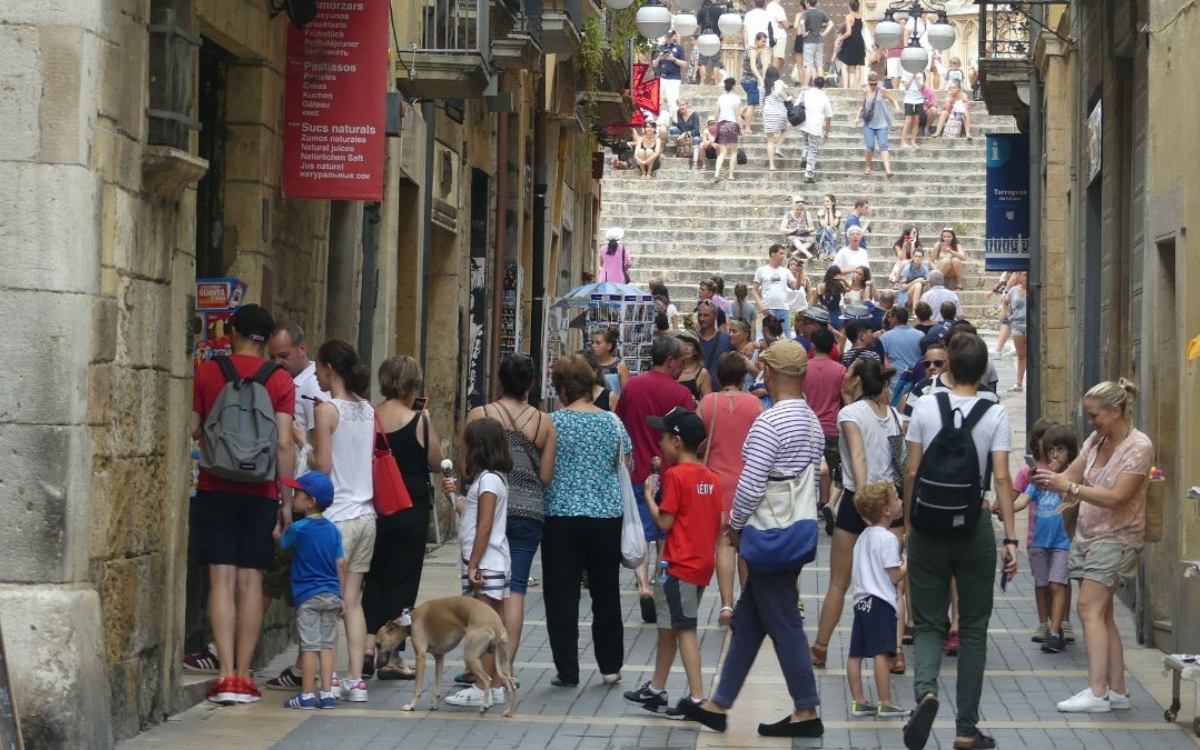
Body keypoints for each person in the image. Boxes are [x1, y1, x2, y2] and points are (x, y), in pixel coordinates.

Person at [681, 341, 825, 738]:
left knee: (785, 624)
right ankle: (718, 704)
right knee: (749, 621)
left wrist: (737, 526)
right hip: (795, 531)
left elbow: (751, 483)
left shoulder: (771, 421)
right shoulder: (811, 421)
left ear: (772, 373)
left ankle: (806, 709)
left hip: (767, 534)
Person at [902, 332, 1017, 750]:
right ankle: (966, 730)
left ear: (948, 365)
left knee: (929, 622)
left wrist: (910, 523)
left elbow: (911, 471)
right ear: (984, 370)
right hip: (974, 528)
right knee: (972, 629)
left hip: (927, 526)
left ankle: (926, 692)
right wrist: (1012, 540)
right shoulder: (995, 412)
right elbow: (1001, 476)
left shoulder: (927, 405)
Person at [190, 304, 296, 705]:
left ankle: (222, 674)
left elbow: (195, 428)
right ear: (269, 341)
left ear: (232, 330)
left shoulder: (208, 372)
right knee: (251, 581)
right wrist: (285, 501)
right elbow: (284, 443)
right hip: (260, 491)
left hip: (216, 485)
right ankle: (243, 676)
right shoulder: (280, 379)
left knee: (221, 579)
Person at [1034, 380, 1152, 714]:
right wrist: (1051, 479)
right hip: (1088, 534)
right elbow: (1072, 475)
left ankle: (1097, 692)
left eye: (1094, 415)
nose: (1090, 422)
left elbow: (1118, 498)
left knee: (1088, 609)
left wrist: (1069, 485)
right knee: (1103, 612)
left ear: (1116, 411)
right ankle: (1116, 689)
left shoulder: (1139, 446)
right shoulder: (1097, 440)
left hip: (1118, 537)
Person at [624, 407, 723, 718]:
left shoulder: (675, 475)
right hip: (700, 565)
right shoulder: (711, 477)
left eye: (664, 438)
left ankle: (696, 698)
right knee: (669, 626)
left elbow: (664, 523)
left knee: (684, 629)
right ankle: (656, 689)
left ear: (677, 442)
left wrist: (650, 495)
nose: (660, 444)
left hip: (679, 565)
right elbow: (718, 520)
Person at [543, 354, 632, 687]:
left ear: (563, 388)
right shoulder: (612, 422)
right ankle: (610, 665)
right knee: (606, 592)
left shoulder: (552, 422)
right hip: (606, 516)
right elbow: (626, 463)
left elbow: (544, 469)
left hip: (561, 516)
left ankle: (567, 670)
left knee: (561, 594)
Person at [464, 354, 556, 674]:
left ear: (499, 380)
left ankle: (478, 663)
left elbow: (468, 464)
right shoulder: (545, 422)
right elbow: (545, 477)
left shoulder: (481, 414)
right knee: (514, 588)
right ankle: (506, 666)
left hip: (491, 505)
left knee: (484, 589)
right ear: (530, 384)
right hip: (528, 512)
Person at [811, 357, 902, 670]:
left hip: (858, 498)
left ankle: (821, 647)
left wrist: (864, 500)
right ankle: (895, 653)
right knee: (891, 582)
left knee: (840, 580)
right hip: (892, 501)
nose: (844, 377)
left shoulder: (849, 414)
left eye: (848, 373)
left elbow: (858, 454)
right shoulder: (894, 415)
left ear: (858, 381)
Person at [257, 322, 329, 690]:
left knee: (282, 581)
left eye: (283, 356)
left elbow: (312, 448)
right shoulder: (292, 382)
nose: (278, 363)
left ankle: (303, 670)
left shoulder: (313, 389)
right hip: (293, 494)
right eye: (272, 357)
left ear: (303, 350)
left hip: (300, 497)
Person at [364, 355, 446, 681]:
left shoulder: (371, 417)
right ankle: (393, 656)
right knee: (403, 585)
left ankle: (368, 647)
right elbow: (438, 462)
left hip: (376, 508)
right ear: (413, 385)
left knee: (374, 580)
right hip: (410, 510)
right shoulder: (420, 421)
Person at [310, 339, 375, 703]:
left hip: (337, 518)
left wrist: (305, 447)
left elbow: (323, 467)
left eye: (319, 368)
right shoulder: (366, 409)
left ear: (329, 369)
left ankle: (328, 679)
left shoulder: (326, 410)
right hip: (367, 515)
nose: (316, 376)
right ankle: (355, 680)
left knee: (328, 600)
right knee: (353, 600)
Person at [616, 337, 696, 623]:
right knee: (665, 533)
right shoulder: (682, 394)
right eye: (682, 361)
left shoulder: (633, 387)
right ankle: (660, 582)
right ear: (671, 360)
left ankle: (642, 586)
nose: (683, 367)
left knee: (641, 531)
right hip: (672, 474)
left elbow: (620, 423)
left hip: (638, 471)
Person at [442, 418, 514, 707]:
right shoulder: (491, 480)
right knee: (492, 627)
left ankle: (483, 684)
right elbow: (470, 512)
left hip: (486, 562)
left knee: (481, 628)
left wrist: (473, 564)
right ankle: (494, 684)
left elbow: (483, 525)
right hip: (492, 560)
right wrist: (452, 495)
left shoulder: (488, 481)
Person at [696, 353, 764, 626]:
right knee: (746, 544)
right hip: (748, 482)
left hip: (716, 483)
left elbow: (697, 440)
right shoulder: (756, 405)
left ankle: (726, 605)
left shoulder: (707, 402)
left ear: (719, 377)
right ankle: (747, 603)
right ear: (744, 377)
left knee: (724, 542)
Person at [277, 470, 343, 710]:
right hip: (332, 595)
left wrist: (277, 534)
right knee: (326, 646)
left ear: (310, 502)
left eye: (297, 493)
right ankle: (326, 694)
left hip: (308, 596)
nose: (293, 497)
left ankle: (305, 695)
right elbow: (341, 564)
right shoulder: (334, 531)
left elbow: (284, 545)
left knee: (309, 646)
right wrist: (341, 595)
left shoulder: (299, 528)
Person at [845, 480, 910, 719]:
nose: (900, 501)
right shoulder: (887, 539)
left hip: (861, 600)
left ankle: (859, 701)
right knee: (882, 652)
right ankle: (885, 702)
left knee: (856, 652)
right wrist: (906, 563)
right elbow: (894, 576)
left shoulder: (863, 537)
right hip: (881, 601)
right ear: (886, 510)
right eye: (896, 499)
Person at [1012, 424, 1078, 654]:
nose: (1055, 455)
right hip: (1039, 542)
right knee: (1042, 584)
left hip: (1062, 543)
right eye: (1051, 450)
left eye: (1060, 450)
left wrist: (1058, 479)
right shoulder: (1038, 481)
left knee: (1057, 584)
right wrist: (1004, 509)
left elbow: (1070, 500)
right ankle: (1045, 624)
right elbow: (1022, 501)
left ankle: (1055, 630)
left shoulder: (1070, 480)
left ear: (1070, 453)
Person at [802, 328, 846, 527]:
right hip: (832, 426)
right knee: (831, 467)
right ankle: (826, 503)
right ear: (832, 347)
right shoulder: (840, 370)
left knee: (811, 467)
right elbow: (844, 399)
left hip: (809, 425)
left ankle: (811, 502)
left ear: (813, 345)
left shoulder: (804, 368)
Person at [857, 71, 900, 177]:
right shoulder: (865, 92)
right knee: (870, 147)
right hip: (869, 124)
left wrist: (897, 108)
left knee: (883, 146)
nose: (873, 86)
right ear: (868, 83)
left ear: (878, 83)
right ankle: (868, 166)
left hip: (882, 123)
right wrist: (857, 117)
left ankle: (888, 171)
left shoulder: (882, 91)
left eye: (875, 84)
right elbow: (862, 106)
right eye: (871, 84)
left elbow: (893, 100)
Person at [752, 244, 799, 339]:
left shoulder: (786, 271)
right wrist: (761, 305)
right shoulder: (761, 270)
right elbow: (754, 290)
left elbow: (795, 287)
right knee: (767, 337)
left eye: (784, 254)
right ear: (773, 254)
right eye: (781, 253)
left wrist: (800, 274)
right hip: (767, 309)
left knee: (786, 338)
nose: (783, 256)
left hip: (783, 308)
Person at [796, 77, 833, 184]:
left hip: (803, 122)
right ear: (823, 86)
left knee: (805, 141)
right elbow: (828, 116)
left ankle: (804, 155)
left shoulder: (804, 93)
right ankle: (809, 174)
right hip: (816, 126)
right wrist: (827, 131)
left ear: (813, 83)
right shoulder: (824, 97)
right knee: (812, 149)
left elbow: (796, 105)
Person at [880, 307, 924, 392]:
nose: (888, 320)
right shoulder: (921, 334)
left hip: (894, 383)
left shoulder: (885, 337)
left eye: (890, 317)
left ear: (895, 318)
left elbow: (883, 360)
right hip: (915, 382)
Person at [696, 300, 735, 383]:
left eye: (706, 315)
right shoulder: (692, 339)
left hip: (719, 391)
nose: (701, 318)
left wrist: (753, 344)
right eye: (699, 315)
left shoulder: (727, 339)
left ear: (715, 316)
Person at [739, 33, 769, 138]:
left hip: (746, 80)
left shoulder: (751, 49)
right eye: (763, 41)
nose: (764, 43)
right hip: (750, 80)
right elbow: (752, 66)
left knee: (754, 101)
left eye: (765, 41)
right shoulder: (753, 51)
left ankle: (741, 112)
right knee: (752, 105)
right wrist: (760, 78)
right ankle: (747, 129)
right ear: (757, 40)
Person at [761, 67, 790, 171]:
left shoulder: (763, 87)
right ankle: (777, 148)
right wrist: (787, 99)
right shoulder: (779, 82)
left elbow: (761, 103)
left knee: (769, 140)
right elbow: (781, 93)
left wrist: (763, 114)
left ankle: (771, 165)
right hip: (780, 112)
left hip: (768, 113)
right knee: (784, 130)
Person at [714, 77, 744, 182]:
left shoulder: (721, 98)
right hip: (732, 125)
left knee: (722, 152)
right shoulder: (735, 98)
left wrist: (716, 126)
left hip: (721, 125)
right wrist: (742, 128)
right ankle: (731, 175)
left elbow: (716, 113)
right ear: (734, 86)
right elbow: (738, 115)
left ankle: (717, 172)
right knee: (733, 152)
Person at [672, 329, 713, 402]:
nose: (685, 348)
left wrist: (697, 403)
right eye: (681, 344)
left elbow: (708, 404)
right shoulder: (670, 369)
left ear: (696, 351)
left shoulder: (702, 373)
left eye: (689, 345)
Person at [655, 30, 686, 124]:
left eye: (670, 37)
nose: (668, 39)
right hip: (662, 77)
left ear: (674, 37)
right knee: (656, 99)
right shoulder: (660, 47)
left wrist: (673, 59)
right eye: (667, 37)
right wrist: (659, 58)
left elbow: (684, 64)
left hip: (674, 78)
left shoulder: (679, 48)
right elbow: (654, 64)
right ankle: (656, 121)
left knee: (673, 101)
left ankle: (675, 122)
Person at [833, 0, 866, 90]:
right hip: (859, 42)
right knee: (856, 67)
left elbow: (849, 33)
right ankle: (855, 88)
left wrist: (841, 38)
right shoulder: (860, 17)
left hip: (851, 43)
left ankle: (846, 87)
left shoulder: (849, 17)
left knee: (845, 65)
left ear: (849, 7)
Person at [798, 0, 832, 84]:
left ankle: (805, 85)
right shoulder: (821, 13)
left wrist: (804, 33)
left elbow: (802, 23)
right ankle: (820, 85)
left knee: (808, 64)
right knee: (819, 65)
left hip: (809, 41)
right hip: (819, 41)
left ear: (808, 3)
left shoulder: (806, 12)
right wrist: (824, 33)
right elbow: (831, 24)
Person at [591, 326, 630, 394]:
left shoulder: (620, 366)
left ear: (609, 346)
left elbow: (627, 395)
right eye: (592, 342)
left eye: (598, 343)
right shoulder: (590, 365)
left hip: (614, 403)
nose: (593, 346)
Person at [1006, 272, 1028, 392]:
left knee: (1030, 355)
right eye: (1024, 274)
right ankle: (1019, 383)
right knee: (1020, 354)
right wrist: (1009, 316)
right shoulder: (1013, 291)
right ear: (1019, 276)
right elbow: (1004, 303)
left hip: (1031, 324)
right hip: (1017, 325)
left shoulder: (1034, 289)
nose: (1026, 277)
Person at [899, 71, 925, 148]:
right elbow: (906, 86)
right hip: (909, 100)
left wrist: (916, 78)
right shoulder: (905, 72)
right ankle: (903, 142)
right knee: (908, 120)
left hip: (918, 99)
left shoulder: (921, 73)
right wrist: (912, 76)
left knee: (916, 120)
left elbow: (920, 87)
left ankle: (913, 141)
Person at [817, 194, 841, 260]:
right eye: (824, 201)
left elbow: (833, 225)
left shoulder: (838, 212)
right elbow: (824, 225)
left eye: (827, 201)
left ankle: (823, 253)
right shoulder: (820, 212)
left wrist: (830, 211)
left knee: (829, 229)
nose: (825, 203)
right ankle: (833, 252)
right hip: (822, 234)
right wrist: (826, 213)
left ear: (833, 202)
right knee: (826, 229)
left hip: (834, 233)